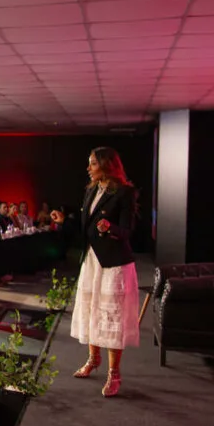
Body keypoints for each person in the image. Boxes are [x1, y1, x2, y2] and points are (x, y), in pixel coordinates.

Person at [71, 147, 140, 399]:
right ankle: (93, 359)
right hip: (92, 260)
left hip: (113, 264)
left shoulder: (124, 192)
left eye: (92, 164)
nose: (88, 168)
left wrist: (110, 227)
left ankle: (114, 373)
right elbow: (84, 226)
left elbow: (127, 230)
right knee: (91, 309)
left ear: (106, 165)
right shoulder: (90, 190)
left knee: (112, 315)